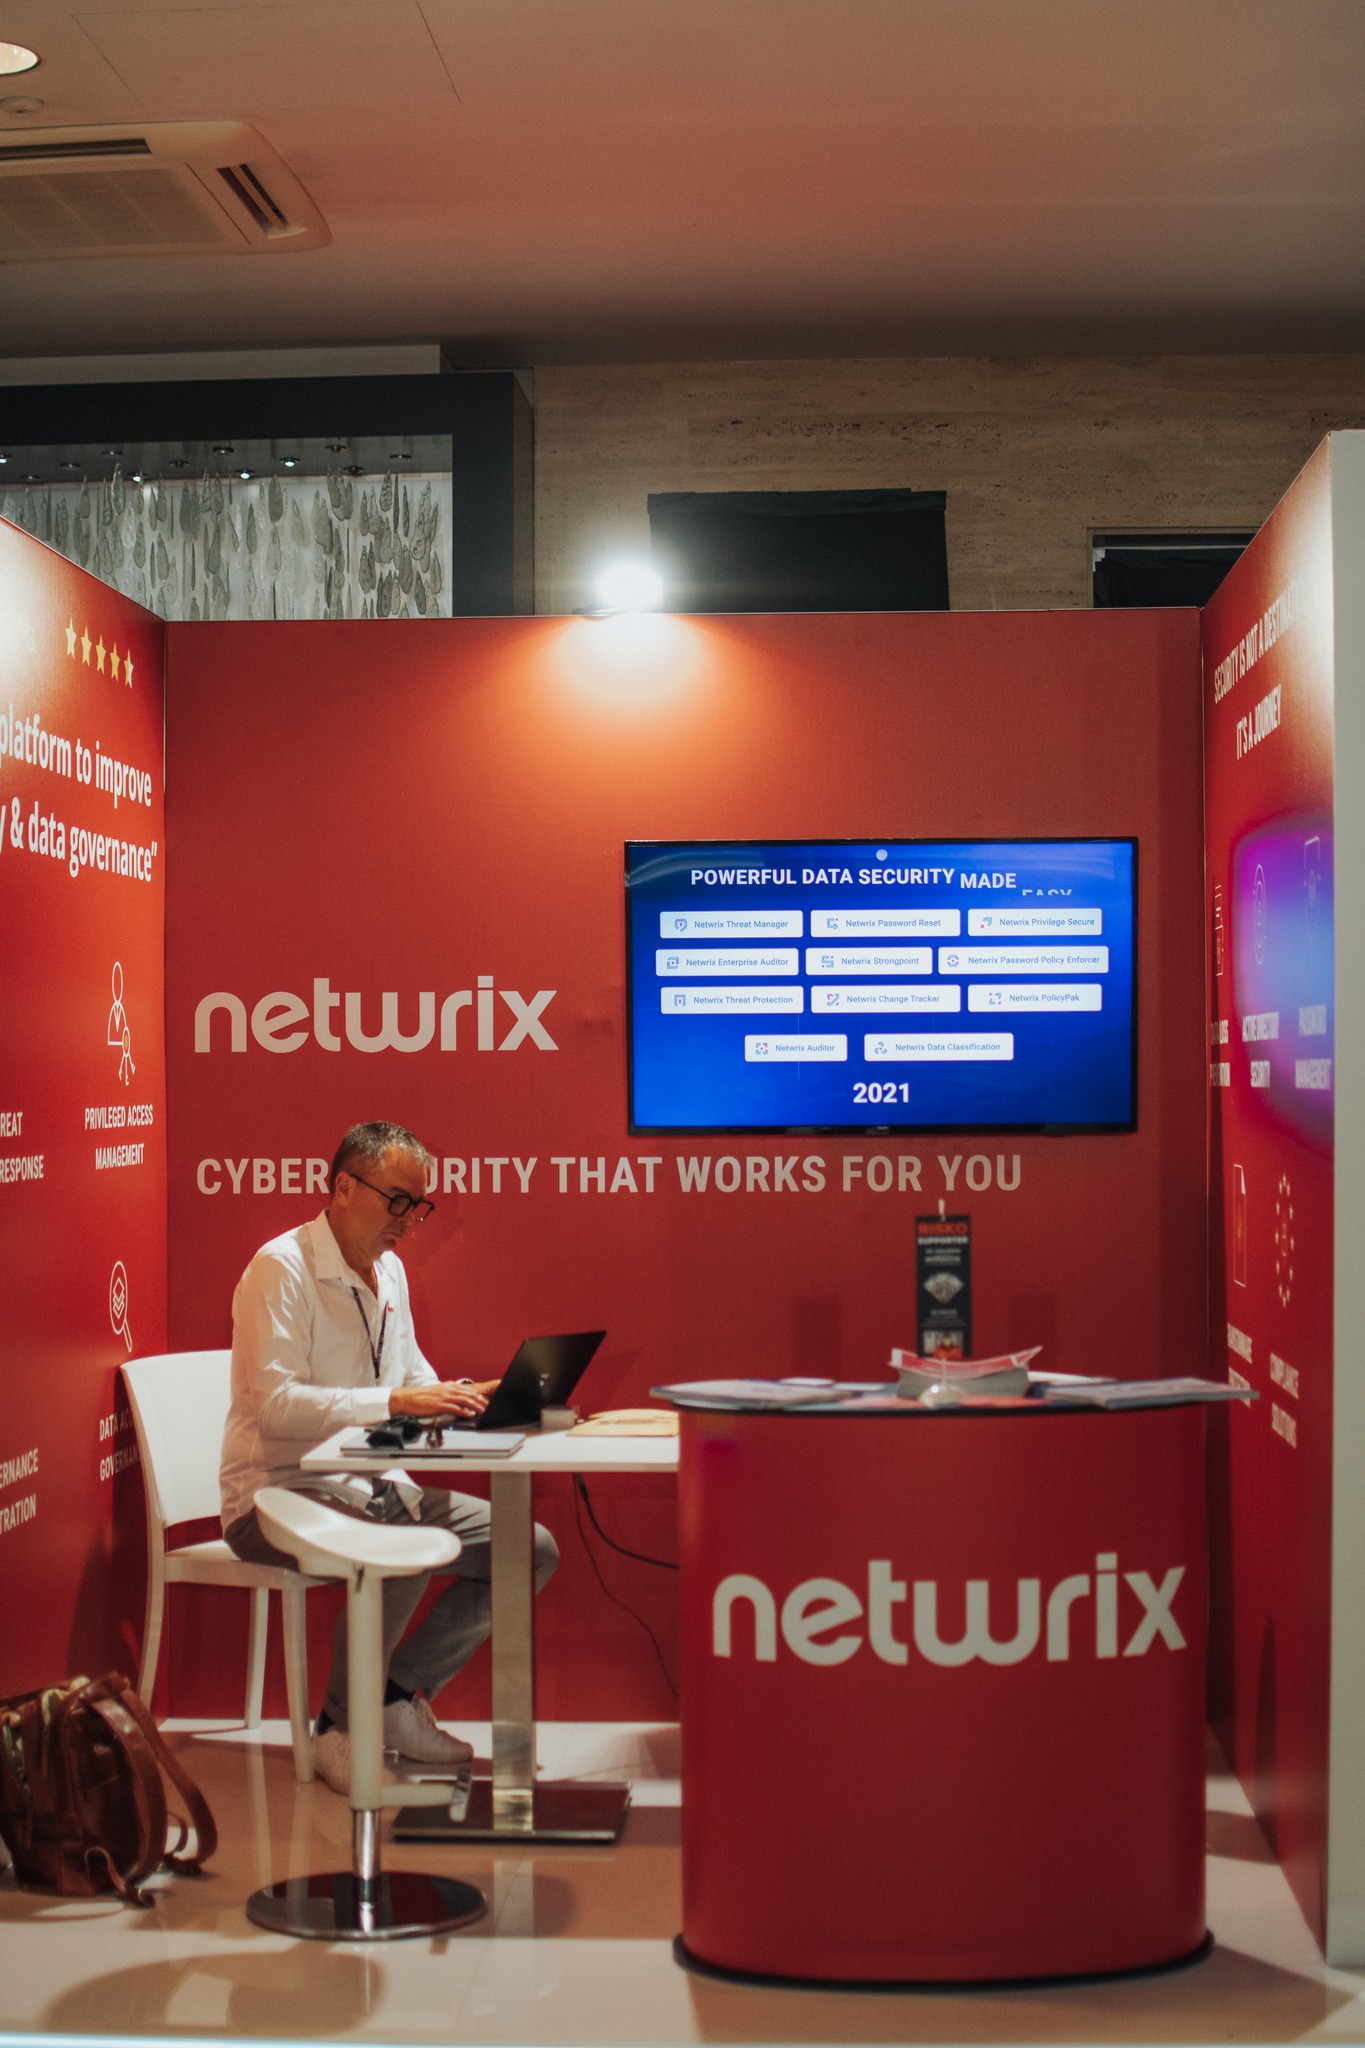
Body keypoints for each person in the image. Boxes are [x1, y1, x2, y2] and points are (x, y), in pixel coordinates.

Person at [220, 1118, 559, 1794]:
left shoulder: (390, 1271)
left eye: (418, 1204)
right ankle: (338, 1729)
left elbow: (408, 1376)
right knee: (398, 1540)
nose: (407, 1219)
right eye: (396, 1199)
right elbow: (277, 1408)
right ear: (344, 1187)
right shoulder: (280, 1268)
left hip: (370, 1485)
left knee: (528, 1549)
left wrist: (463, 1398)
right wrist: (397, 1402)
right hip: (273, 1497)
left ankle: (393, 1696)